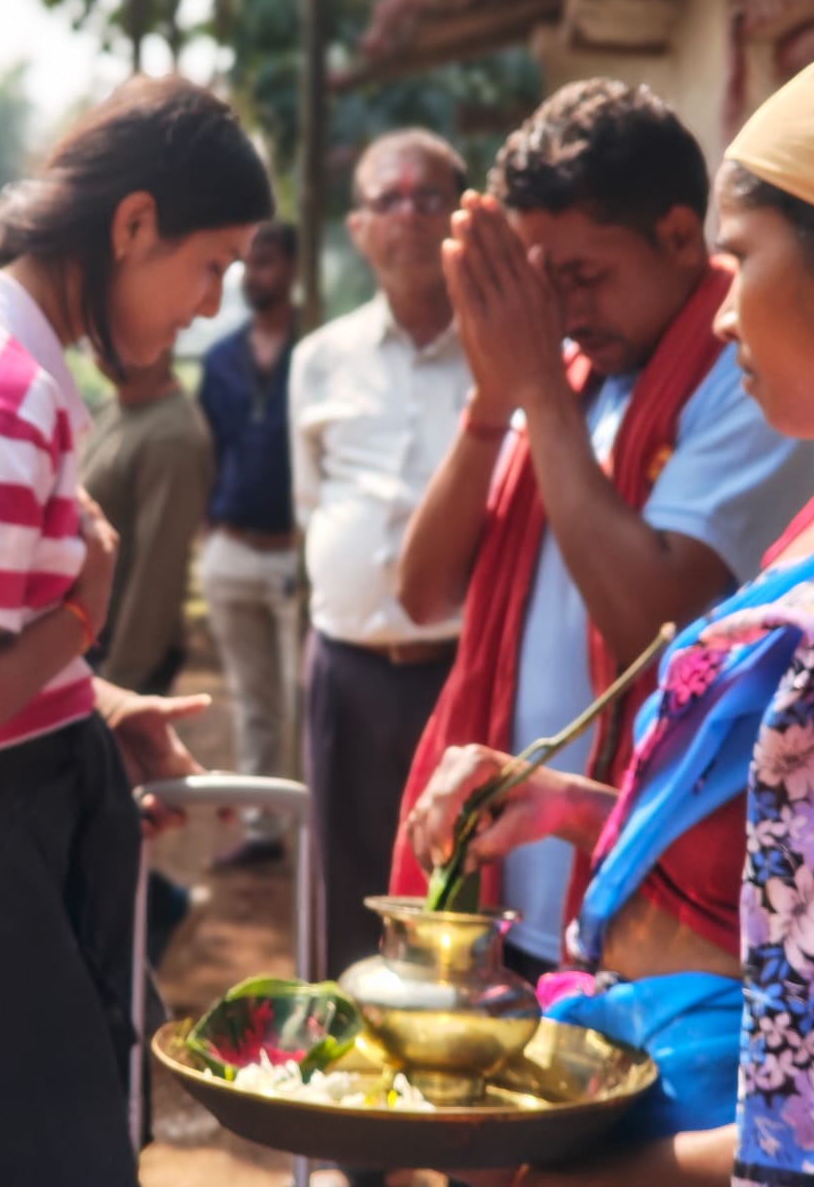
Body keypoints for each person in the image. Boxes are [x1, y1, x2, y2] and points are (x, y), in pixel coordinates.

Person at [405, 35, 814, 1185]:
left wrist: (569, 1176)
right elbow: (807, 860)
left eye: (738, 260)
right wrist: (567, 804)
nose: (723, 314)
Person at [0, 74, 273, 1187]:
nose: (209, 304)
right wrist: (83, 608)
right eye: (210, 265)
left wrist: (93, 697)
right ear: (133, 224)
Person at [389, 80, 814, 979]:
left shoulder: (749, 377)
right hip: (511, 874)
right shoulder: (568, 376)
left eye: (582, 277)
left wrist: (536, 393)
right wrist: (494, 399)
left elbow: (648, 623)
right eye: (537, 284)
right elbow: (425, 594)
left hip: (651, 902)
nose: (560, 312)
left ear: (680, 236)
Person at [290, 128, 471, 985]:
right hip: (347, 669)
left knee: (463, 883)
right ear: (356, 228)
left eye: (426, 196)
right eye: (384, 200)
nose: (405, 215)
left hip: (467, 671)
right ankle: (351, 1077)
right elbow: (311, 502)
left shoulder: (506, 353)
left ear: (463, 219)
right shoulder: (318, 360)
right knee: (346, 883)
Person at [199, 220, 301, 869]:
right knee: (254, 696)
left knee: (304, 696)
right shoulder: (218, 360)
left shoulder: (318, 354)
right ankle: (265, 832)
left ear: (290, 268)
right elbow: (205, 451)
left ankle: (318, 825)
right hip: (231, 547)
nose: (253, 274)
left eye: (266, 262)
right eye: (247, 262)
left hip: (296, 552)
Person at [81, 348, 214, 695]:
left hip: (119, 653)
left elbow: (158, 572)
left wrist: (118, 684)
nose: (103, 343)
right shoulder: (112, 406)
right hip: (87, 638)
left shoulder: (172, 437)